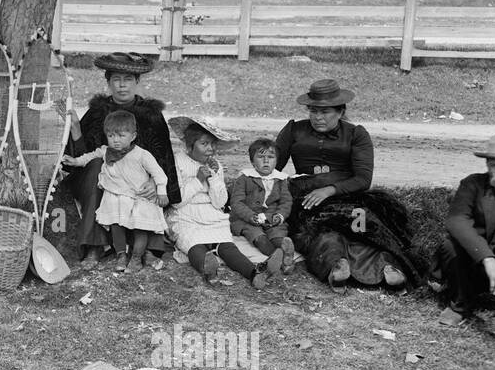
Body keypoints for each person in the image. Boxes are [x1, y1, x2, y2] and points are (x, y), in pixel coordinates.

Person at [274, 78, 420, 288]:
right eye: (313, 111)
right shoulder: (293, 130)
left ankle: (385, 266)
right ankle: (337, 264)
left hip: (347, 195)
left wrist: (329, 190)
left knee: (363, 227)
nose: (317, 117)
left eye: (325, 112)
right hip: (306, 196)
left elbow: (363, 179)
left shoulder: (356, 134)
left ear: (341, 111)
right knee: (318, 230)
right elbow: (271, 169)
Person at [65, 51, 179, 269]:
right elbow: (86, 156)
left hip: (138, 181)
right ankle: (94, 245)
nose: (122, 86)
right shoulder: (98, 112)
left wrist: (156, 183)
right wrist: (77, 130)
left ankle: (146, 249)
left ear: (137, 82)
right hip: (106, 181)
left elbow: (163, 156)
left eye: (127, 80)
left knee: (147, 183)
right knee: (98, 165)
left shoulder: (151, 114)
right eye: (116, 79)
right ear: (108, 82)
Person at [169, 117, 280, 289]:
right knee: (194, 244)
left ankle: (254, 273)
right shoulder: (178, 162)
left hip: (211, 213)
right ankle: (208, 269)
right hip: (185, 214)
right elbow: (177, 202)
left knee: (227, 246)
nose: (210, 149)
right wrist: (198, 181)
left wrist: (213, 178)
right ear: (191, 144)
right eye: (204, 144)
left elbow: (219, 202)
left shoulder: (216, 165)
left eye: (213, 144)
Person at [62, 110, 169, 273]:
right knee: (116, 225)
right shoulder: (106, 151)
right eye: (111, 136)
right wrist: (75, 161)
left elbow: (159, 173)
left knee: (140, 228)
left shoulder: (142, 155)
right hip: (116, 197)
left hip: (138, 197)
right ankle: (121, 255)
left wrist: (161, 192)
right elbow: (89, 157)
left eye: (121, 136)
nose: (116, 140)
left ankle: (136, 258)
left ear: (133, 136)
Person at [435, 130, 495, 325]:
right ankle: (459, 304)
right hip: (477, 264)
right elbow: (456, 221)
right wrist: (489, 262)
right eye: (494, 166)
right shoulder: (473, 184)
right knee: (450, 246)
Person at [229, 137, 295, 274]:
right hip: (247, 219)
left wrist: (280, 216)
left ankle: (285, 252)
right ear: (252, 162)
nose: (266, 161)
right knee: (258, 237)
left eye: (271, 157)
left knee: (277, 234)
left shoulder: (281, 179)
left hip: (271, 217)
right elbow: (237, 202)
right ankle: (278, 260)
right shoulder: (244, 178)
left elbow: (286, 201)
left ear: (276, 161)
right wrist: (250, 216)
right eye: (261, 157)